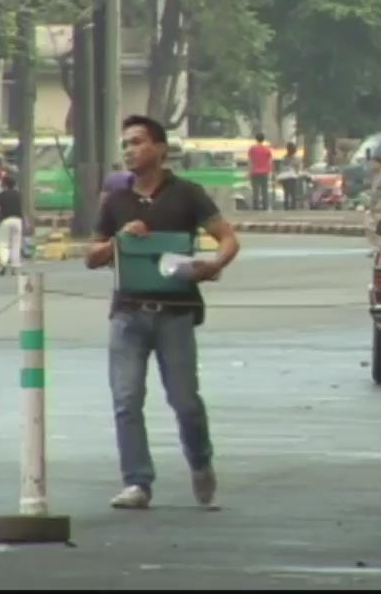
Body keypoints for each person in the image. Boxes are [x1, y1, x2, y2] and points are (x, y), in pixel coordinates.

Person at [85, 115, 241, 510]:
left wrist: (214, 265)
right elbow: (92, 255)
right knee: (126, 399)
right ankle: (137, 481)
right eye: (125, 144)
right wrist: (119, 240)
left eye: (137, 142)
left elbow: (227, 238)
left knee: (185, 400)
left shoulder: (187, 194)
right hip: (127, 313)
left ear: (159, 149)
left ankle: (201, 462)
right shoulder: (116, 200)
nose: (129, 150)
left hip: (176, 312)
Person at [0, 175, 24, 276]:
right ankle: (15, 267)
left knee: (3, 243)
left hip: (5, 221)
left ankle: (3, 264)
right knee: (16, 244)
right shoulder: (18, 194)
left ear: (4, 184)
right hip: (17, 221)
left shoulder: (2, 195)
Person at [247, 133, 273, 211]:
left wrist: (249, 171)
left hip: (254, 172)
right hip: (265, 172)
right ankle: (265, 206)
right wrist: (270, 171)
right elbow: (270, 161)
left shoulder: (252, 149)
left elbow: (250, 161)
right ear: (263, 139)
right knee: (264, 190)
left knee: (255, 190)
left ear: (256, 139)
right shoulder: (267, 150)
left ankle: (256, 206)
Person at [276, 143, 302, 211]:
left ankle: (286, 206)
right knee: (293, 192)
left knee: (286, 192)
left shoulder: (284, 158)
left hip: (284, 177)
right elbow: (298, 168)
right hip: (293, 176)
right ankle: (293, 206)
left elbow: (281, 168)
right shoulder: (296, 158)